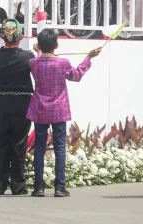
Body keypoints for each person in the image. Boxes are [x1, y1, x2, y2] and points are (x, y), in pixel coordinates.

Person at [27, 29, 101, 197]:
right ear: (57, 45)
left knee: (39, 147)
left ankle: (38, 187)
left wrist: (39, 53)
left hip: (39, 109)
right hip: (59, 109)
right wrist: (88, 58)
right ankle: (60, 187)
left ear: (38, 45)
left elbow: (40, 62)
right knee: (60, 148)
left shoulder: (33, 63)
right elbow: (76, 75)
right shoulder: (63, 63)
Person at [0, 19, 34, 196]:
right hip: (22, 104)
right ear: (20, 36)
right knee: (18, 145)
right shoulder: (28, 56)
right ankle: (18, 185)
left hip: (1, 104)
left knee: (2, 144)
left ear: (2, 36)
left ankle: (0, 184)